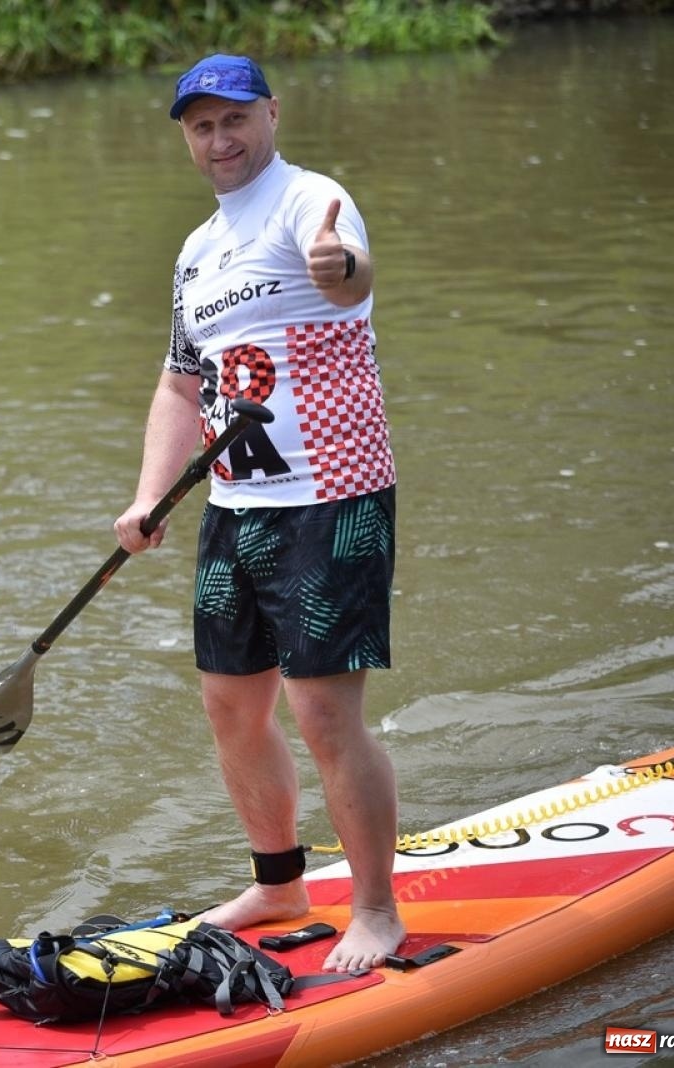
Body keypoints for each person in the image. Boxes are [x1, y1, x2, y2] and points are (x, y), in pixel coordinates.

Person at [112, 54, 405, 973]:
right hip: (237, 505)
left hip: (334, 495)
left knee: (324, 714)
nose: (220, 139)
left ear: (270, 114)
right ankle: (279, 882)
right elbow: (179, 380)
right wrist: (149, 494)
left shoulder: (313, 202)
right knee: (232, 707)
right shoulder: (196, 252)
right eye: (200, 126)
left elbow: (349, 275)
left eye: (234, 118)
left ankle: (376, 909)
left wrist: (341, 265)